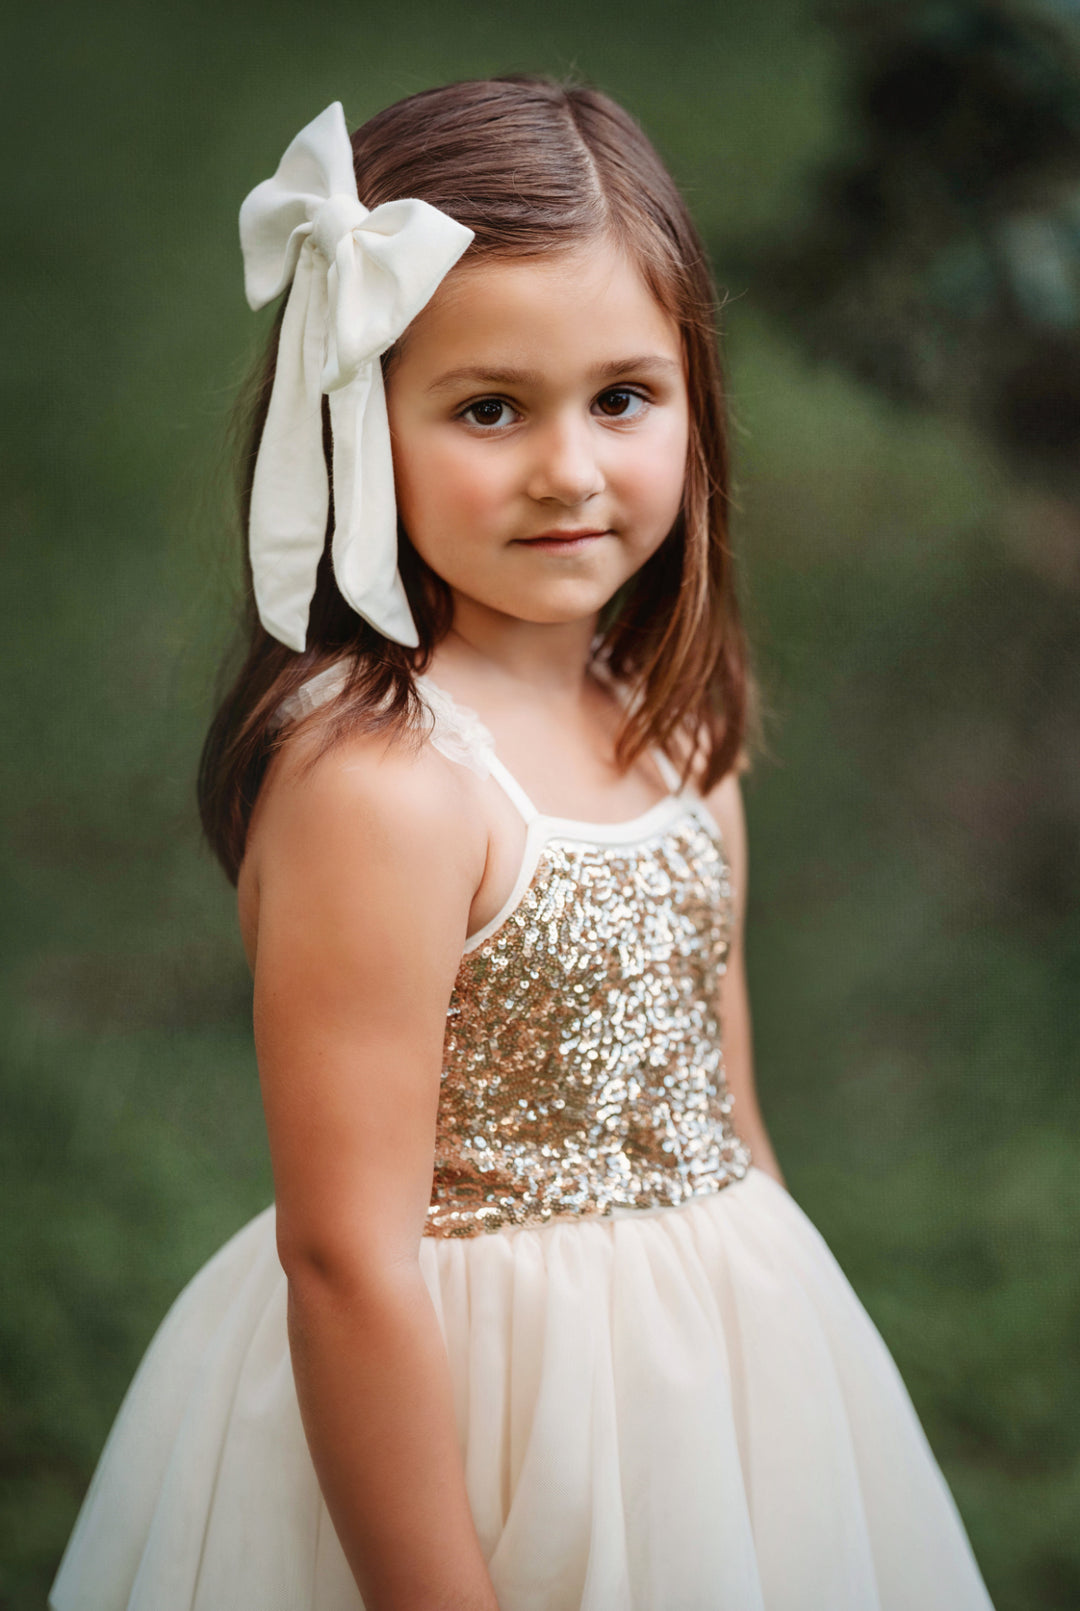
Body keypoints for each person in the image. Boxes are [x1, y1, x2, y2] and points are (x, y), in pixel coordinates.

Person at [49, 76, 997, 1611]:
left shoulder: (678, 728)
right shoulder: (387, 786)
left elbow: (732, 1118)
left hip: (719, 1383)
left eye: (622, 397)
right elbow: (347, 1260)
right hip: (462, 1416)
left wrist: (786, 1401)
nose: (569, 468)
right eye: (491, 407)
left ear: (695, 398)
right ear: (362, 420)